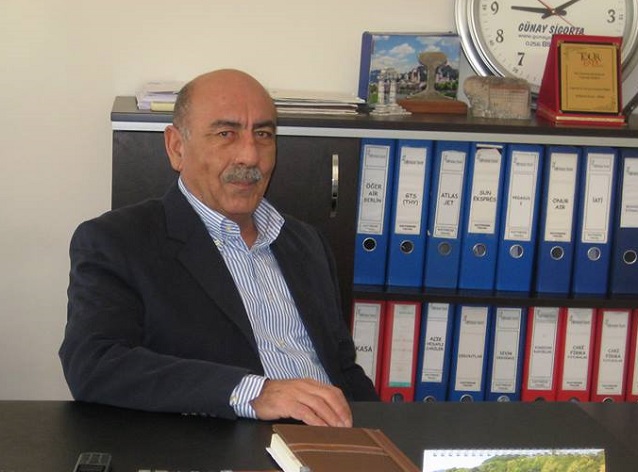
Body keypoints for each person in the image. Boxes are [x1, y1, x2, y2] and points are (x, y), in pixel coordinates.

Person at [59, 69, 378, 428]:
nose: (249, 156)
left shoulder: (306, 242)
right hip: (227, 443)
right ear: (177, 147)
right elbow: (94, 364)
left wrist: (385, 432)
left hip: (333, 441)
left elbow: (343, 368)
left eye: (263, 134)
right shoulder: (117, 241)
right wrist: (254, 392)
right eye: (226, 134)